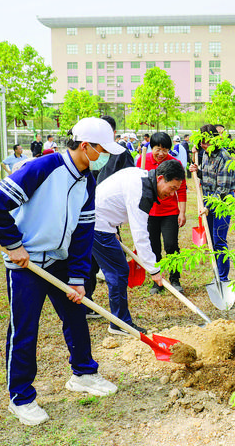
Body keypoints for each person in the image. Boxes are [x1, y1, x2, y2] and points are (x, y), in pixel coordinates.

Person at [0, 117, 125, 426]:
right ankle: (21, 397)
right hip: (26, 264)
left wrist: (77, 278)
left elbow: (83, 233)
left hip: (59, 261)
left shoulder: (87, 181)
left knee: (76, 317)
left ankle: (84, 374)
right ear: (84, 146)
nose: (106, 157)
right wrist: (14, 244)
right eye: (102, 150)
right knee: (25, 329)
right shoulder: (42, 169)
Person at [94, 159, 184, 335]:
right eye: (172, 188)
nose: (172, 194)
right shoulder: (141, 190)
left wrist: (111, 227)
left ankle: (119, 321)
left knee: (118, 271)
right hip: (96, 224)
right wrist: (154, 270)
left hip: (103, 223)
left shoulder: (144, 180)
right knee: (118, 272)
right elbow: (140, 235)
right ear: (160, 178)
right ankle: (120, 324)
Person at [83, 116, 136, 319]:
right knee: (88, 262)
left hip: (108, 216)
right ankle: (87, 303)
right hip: (88, 215)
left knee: (110, 262)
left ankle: (118, 315)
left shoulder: (122, 154)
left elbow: (129, 183)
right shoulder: (86, 152)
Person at [136, 132, 187, 294]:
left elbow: (182, 190)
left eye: (165, 149)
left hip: (170, 212)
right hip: (149, 212)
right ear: (152, 148)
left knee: (171, 245)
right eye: (158, 149)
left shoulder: (175, 163)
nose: (161, 153)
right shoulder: (142, 161)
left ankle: (175, 278)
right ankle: (157, 281)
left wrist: (182, 212)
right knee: (153, 247)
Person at [190, 124, 235, 281]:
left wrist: (207, 206)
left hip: (223, 203)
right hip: (208, 202)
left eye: (207, 142)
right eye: (202, 142)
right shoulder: (205, 155)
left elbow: (222, 189)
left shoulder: (224, 157)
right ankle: (217, 275)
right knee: (210, 239)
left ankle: (223, 278)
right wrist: (198, 172)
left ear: (215, 140)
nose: (204, 145)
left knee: (219, 240)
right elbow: (210, 178)